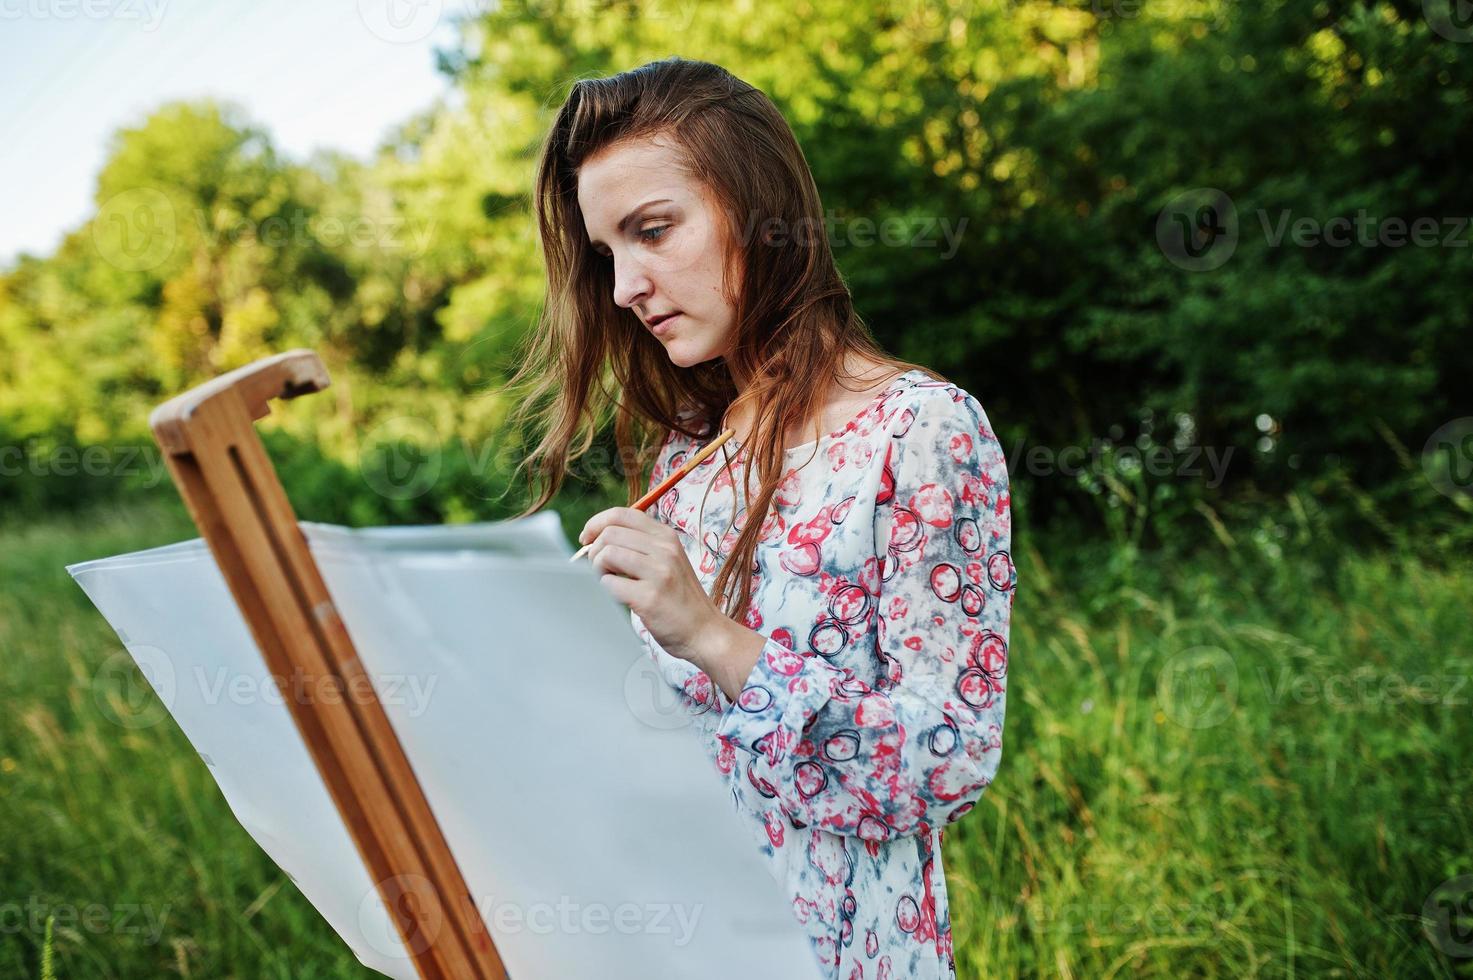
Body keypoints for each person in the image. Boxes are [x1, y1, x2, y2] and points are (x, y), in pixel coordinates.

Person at [506, 56, 1013, 980]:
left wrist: (707, 633)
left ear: (758, 206)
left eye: (653, 230)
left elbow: (946, 766)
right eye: (608, 254)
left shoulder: (922, 429)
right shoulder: (687, 454)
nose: (624, 286)